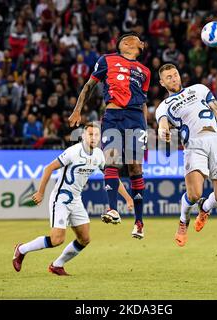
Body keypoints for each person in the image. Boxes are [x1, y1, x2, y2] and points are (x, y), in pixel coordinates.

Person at [12, 123, 133, 275]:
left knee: (84, 239)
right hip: (61, 198)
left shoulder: (99, 155)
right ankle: (21, 249)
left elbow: (112, 178)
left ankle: (57, 265)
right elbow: (49, 168)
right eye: (90, 134)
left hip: (76, 200)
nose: (93, 138)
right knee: (57, 239)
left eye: (96, 135)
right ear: (83, 136)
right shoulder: (73, 152)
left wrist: (128, 198)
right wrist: (41, 192)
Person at [68, 32, 151, 239]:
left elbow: (144, 102)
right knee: (111, 160)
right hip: (113, 115)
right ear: (125, 43)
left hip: (136, 118)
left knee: (134, 166)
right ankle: (112, 209)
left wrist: (146, 128)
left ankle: (139, 222)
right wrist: (78, 109)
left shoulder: (145, 71)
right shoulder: (107, 59)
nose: (139, 41)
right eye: (135, 38)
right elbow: (89, 85)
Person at [156, 64, 217, 247]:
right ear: (162, 82)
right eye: (168, 77)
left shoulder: (200, 89)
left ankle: (205, 208)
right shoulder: (164, 106)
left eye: (175, 75)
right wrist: (162, 130)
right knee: (194, 193)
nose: (173, 79)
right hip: (194, 145)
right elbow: (163, 123)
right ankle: (183, 221)